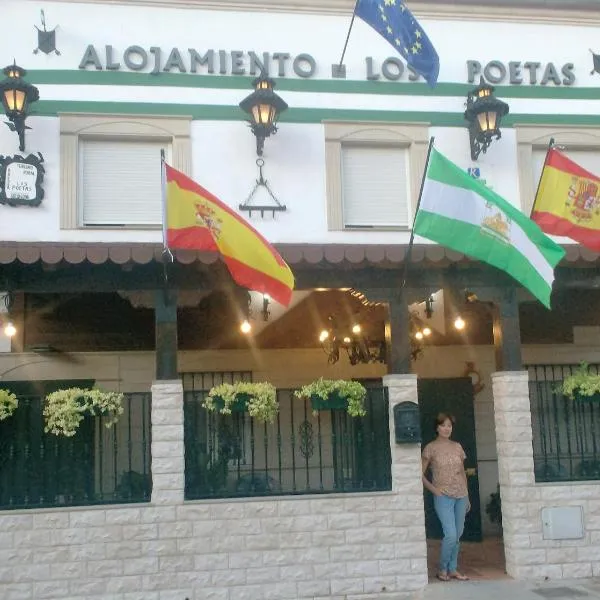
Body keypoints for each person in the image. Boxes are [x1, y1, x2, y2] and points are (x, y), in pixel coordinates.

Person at [421, 412, 471, 582]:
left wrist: (467, 496)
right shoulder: (430, 448)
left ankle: (452, 569)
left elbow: (462, 472)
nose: (446, 428)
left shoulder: (457, 446)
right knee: (450, 534)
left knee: (457, 535)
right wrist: (434, 490)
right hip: (443, 496)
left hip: (461, 495)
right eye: (443, 425)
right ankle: (442, 569)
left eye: (449, 425)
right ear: (437, 427)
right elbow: (419, 475)